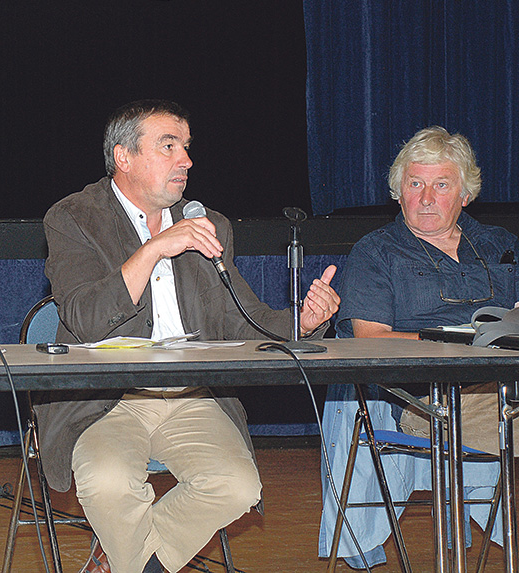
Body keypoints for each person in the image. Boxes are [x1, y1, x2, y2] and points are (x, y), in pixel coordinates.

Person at [36, 100, 340, 573]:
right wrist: (156, 248)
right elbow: (86, 317)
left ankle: (124, 559)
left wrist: (302, 322)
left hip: (193, 396)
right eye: (168, 146)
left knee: (238, 486)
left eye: (187, 147)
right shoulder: (74, 216)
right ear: (123, 157)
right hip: (106, 398)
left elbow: (245, 323)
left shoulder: (208, 224)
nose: (187, 160)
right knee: (109, 484)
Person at [319, 125, 518, 568]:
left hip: (503, 389)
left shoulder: (500, 244)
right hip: (422, 401)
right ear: (399, 192)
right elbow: (369, 339)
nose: (426, 197)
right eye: (415, 184)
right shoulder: (377, 253)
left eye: (441, 185)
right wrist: (464, 341)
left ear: (465, 195)